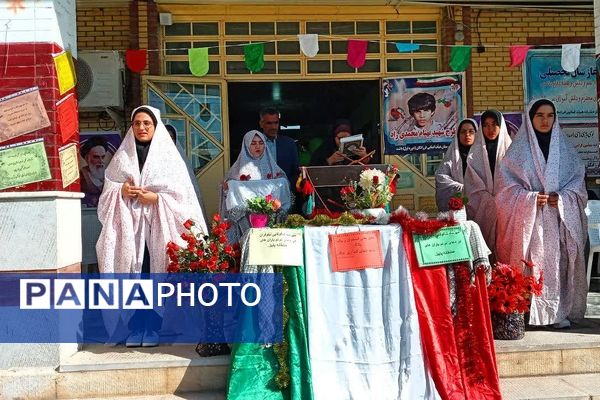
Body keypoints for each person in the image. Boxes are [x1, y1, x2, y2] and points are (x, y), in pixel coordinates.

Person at [96, 106, 208, 346]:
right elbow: (108, 191)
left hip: (159, 230)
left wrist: (156, 199)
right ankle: (136, 327)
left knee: (155, 275)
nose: (142, 128)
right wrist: (121, 190)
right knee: (135, 276)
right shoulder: (123, 156)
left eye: (147, 123)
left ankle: (154, 328)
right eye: (137, 123)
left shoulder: (168, 158)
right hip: (131, 231)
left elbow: (183, 196)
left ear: (155, 126)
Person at [495, 99, 588, 328]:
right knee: (531, 265)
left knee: (558, 266)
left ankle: (557, 313)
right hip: (532, 222)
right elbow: (505, 190)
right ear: (530, 118)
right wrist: (530, 199)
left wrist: (564, 197)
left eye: (550, 116)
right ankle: (529, 313)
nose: (545, 120)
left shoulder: (565, 149)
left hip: (558, 221)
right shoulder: (517, 151)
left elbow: (578, 184)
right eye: (540, 115)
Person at [220, 130, 291, 243]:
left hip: (271, 219)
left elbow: (284, 185)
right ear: (246, 145)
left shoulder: (272, 166)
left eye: (261, 143)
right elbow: (227, 193)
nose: (258, 146)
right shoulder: (237, 169)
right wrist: (227, 187)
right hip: (245, 220)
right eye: (253, 143)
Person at [464, 110, 512, 256]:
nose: (490, 130)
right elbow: (471, 185)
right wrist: (488, 200)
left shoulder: (511, 151)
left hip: (507, 210)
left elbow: (516, 181)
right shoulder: (475, 154)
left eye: (494, 125)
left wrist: (501, 197)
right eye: (486, 125)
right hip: (482, 211)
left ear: (501, 126)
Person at [165, 124, 209, 228]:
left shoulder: (180, 159)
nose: (168, 140)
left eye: (171, 137)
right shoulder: (153, 158)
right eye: (165, 136)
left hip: (181, 201)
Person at [435, 118, 477, 211]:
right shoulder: (452, 155)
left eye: (471, 131)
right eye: (463, 132)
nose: (467, 135)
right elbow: (441, 177)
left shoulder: (483, 156)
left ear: (476, 134)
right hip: (458, 207)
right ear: (458, 135)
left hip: (479, 205)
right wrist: (460, 188)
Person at [259, 108, 300, 192]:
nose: (273, 127)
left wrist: (287, 187)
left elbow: (296, 171)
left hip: (285, 192)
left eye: (276, 123)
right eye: (269, 123)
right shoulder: (254, 144)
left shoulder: (289, 143)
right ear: (261, 124)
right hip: (260, 192)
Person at [80, 136, 109, 207]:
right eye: (96, 157)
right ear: (87, 158)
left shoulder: (107, 175)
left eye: (103, 157)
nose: (101, 161)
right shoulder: (81, 176)